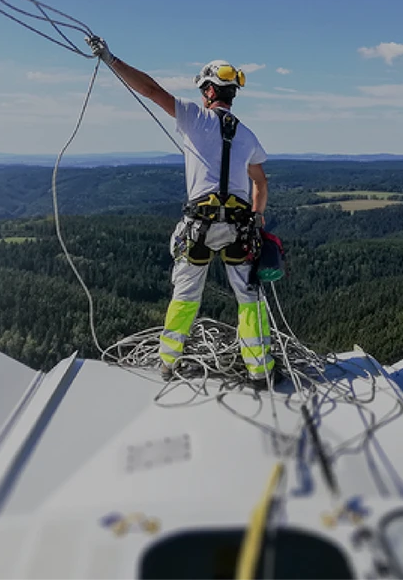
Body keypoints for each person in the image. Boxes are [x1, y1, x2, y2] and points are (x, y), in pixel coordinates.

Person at [86, 36, 275, 385]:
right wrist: (257, 219)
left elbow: (151, 90)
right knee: (249, 298)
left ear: (207, 91)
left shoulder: (195, 117)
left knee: (186, 296)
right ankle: (261, 369)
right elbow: (260, 183)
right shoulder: (248, 136)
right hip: (238, 227)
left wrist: (113, 60)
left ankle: (167, 363)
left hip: (199, 226)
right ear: (231, 94)